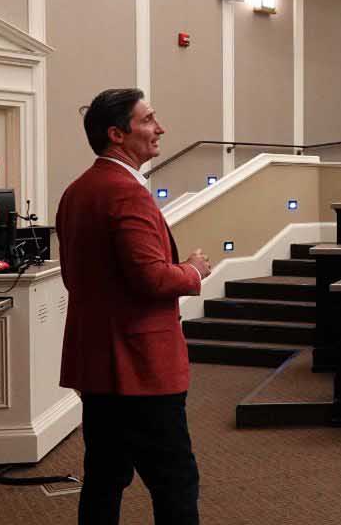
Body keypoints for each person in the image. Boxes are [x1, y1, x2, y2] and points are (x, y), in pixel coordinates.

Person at [59, 89, 211, 525]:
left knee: (104, 479)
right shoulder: (126, 193)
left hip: (98, 364)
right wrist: (193, 271)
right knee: (175, 482)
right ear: (116, 134)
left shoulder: (77, 190)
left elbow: (78, 278)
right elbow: (152, 279)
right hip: (140, 370)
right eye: (148, 120)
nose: (159, 128)